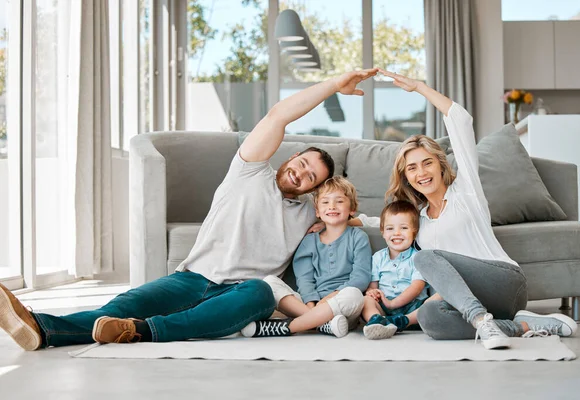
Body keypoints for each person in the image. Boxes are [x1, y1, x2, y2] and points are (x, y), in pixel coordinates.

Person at [0, 68, 378, 351]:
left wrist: (364, 220)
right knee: (126, 303)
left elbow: (359, 217)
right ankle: (41, 328)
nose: (300, 174)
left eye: (311, 177)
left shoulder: (311, 213)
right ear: (291, 156)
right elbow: (278, 115)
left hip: (239, 292)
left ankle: (141, 331)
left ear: (315, 188)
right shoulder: (249, 169)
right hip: (192, 277)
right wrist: (333, 85)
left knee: (262, 294)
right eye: (302, 164)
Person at [353, 68, 578, 350]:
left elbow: (460, 119)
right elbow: (387, 222)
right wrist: (353, 221)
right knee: (428, 317)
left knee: (425, 259)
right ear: (406, 176)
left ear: (440, 164)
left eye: (427, 163)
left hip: (504, 283)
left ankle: (483, 321)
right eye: (412, 168)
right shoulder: (418, 219)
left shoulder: (466, 189)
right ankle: (520, 326)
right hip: (469, 300)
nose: (421, 172)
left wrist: (420, 88)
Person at [242, 176, 371, 338]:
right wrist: (311, 303)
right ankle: (322, 323)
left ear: (352, 209)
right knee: (268, 283)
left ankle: (289, 326)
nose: (332, 206)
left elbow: (361, 277)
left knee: (354, 294)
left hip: (342, 308)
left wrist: (329, 299)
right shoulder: (309, 241)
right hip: (310, 303)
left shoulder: (358, 237)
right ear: (317, 211)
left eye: (339, 201)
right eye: (325, 202)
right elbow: (304, 279)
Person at [362, 200, 439, 340]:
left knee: (436, 299)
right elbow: (373, 286)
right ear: (383, 232)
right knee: (366, 300)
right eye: (390, 229)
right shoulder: (378, 257)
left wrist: (393, 303)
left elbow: (416, 287)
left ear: (414, 232)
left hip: (412, 306)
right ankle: (377, 321)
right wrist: (372, 292)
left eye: (403, 228)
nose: (396, 233)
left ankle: (403, 322)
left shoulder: (418, 258)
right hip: (384, 308)